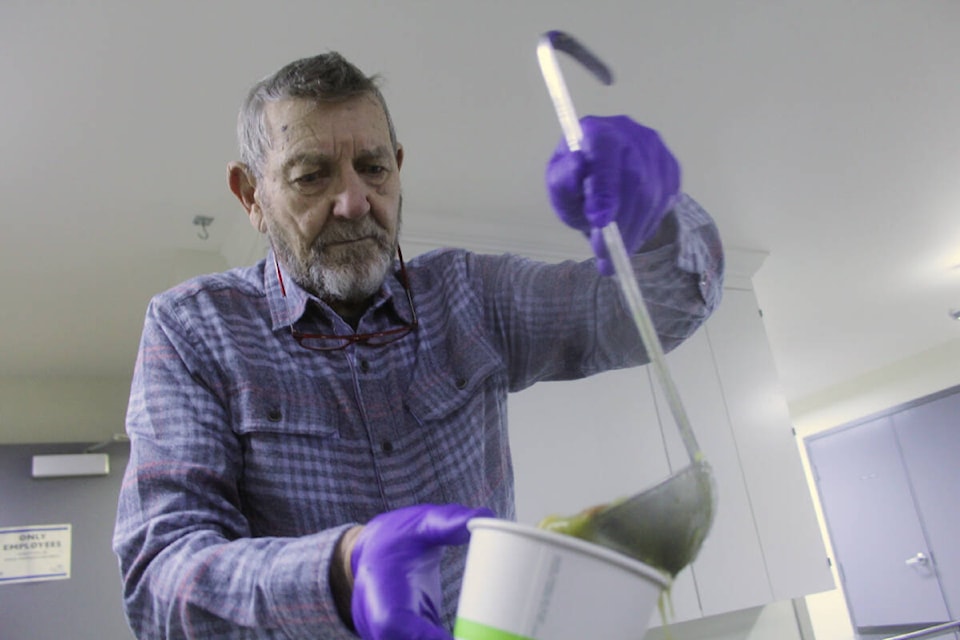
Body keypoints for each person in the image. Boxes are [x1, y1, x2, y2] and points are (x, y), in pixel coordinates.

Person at [113, 51, 724, 640]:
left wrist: (659, 213)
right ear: (250, 195)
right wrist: (341, 569)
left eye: (373, 169)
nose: (354, 202)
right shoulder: (194, 330)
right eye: (311, 175)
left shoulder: (471, 296)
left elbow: (667, 304)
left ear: (398, 168)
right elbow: (159, 582)